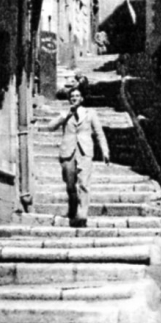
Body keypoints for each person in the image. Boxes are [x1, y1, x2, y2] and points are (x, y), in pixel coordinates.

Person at [45, 86, 110, 227]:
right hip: (67, 152)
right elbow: (50, 127)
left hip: (85, 152)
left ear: (82, 98)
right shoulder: (65, 113)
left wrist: (105, 151)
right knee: (70, 186)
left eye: (77, 96)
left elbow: (99, 133)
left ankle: (82, 216)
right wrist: (66, 115)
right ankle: (73, 207)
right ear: (69, 99)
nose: (74, 98)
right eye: (72, 96)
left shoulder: (90, 113)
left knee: (84, 184)